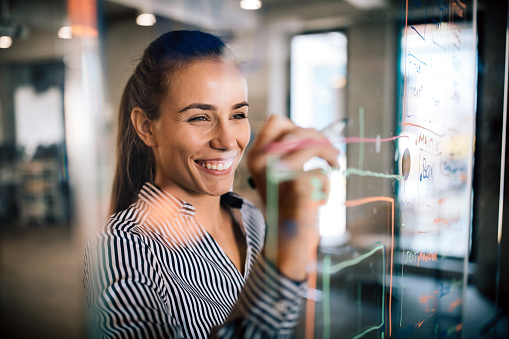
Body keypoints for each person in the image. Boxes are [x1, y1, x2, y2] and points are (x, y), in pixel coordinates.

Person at [84, 30, 339, 338]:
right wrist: (288, 249)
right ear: (147, 127)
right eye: (199, 118)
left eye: (238, 114)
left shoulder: (252, 217)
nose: (228, 140)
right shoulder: (121, 248)